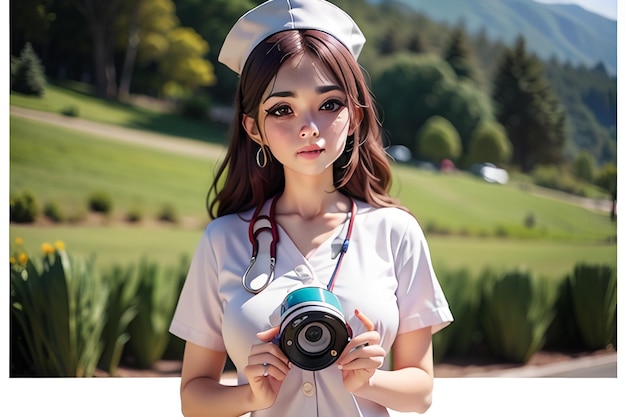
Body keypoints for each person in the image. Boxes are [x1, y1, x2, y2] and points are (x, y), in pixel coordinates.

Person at [169, 1, 453, 416]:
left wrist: (370, 380)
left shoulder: (396, 233)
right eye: (282, 108)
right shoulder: (223, 240)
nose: (309, 127)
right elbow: (194, 398)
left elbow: (421, 391)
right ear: (254, 128)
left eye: (330, 104)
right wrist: (250, 394)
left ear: (355, 116)